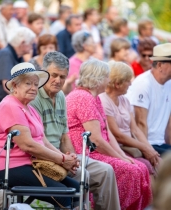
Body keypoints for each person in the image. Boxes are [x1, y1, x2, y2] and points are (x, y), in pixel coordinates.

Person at [30, 51, 120, 210]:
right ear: (43, 73)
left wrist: (71, 157)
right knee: (80, 174)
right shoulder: (34, 97)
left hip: (61, 154)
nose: (58, 80)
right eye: (54, 75)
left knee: (106, 171)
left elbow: (65, 137)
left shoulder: (61, 97)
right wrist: (64, 159)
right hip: (42, 157)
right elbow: (38, 142)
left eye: (63, 77)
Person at [0, 62, 80, 209]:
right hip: (9, 167)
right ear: (15, 86)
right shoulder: (10, 106)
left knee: (77, 188)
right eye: (28, 83)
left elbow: (44, 142)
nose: (33, 88)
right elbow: (28, 145)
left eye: (35, 84)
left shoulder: (30, 108)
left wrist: (66, 158)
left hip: (30, 164)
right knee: (64, 195)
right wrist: (62, 160)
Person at [66, 59, 152, 210]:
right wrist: (120, 158)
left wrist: (122, 156)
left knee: (140, 168)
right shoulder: (83, 97)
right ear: (98, 79)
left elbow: (107, 133)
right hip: (87, 152)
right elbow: (96, 140)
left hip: (97, 151)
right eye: (107, 77)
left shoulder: (94, 97)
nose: (109, 80)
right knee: (132, 170)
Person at [99, 61, 159, 173]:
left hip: (131, 147)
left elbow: (135, 130)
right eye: (128, 81)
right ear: (117, 84)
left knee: (157, 162)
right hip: (118, 148)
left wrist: (150, 150)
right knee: (145, 166)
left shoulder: (124, 100)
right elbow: (117, 135)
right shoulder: (103, 100)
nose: (130, 84)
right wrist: (144, 148)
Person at [126, 43, 171, 155]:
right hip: (147, 143)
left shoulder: (169, 83)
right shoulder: (143, 84)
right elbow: (140, 123)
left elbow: (169, 124)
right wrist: (147, 152)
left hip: (161, 143)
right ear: (160, 65)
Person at [0, 27, 35, 115]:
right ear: (22, 43)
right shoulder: (5, 54)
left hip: (10, 102)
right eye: (31, 43)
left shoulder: (18, 56)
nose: (32, 47)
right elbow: (7, 85)